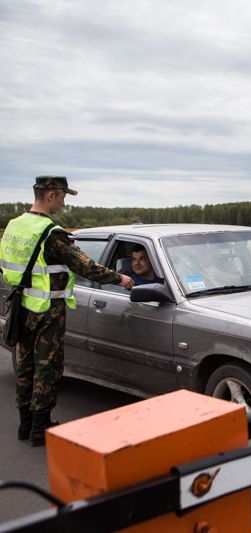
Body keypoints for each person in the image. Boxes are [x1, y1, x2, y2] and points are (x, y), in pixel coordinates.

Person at [0, 176, 134, 446]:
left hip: (21, 306)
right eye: (62, 197)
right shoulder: (51, 234)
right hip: (47, 310)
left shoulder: (14, 226)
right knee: (47, 368)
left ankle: (24, 425)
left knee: (25, 367)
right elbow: (86, 267)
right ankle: (41, 427)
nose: (63, 202)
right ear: (50, 194)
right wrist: (121, 279)